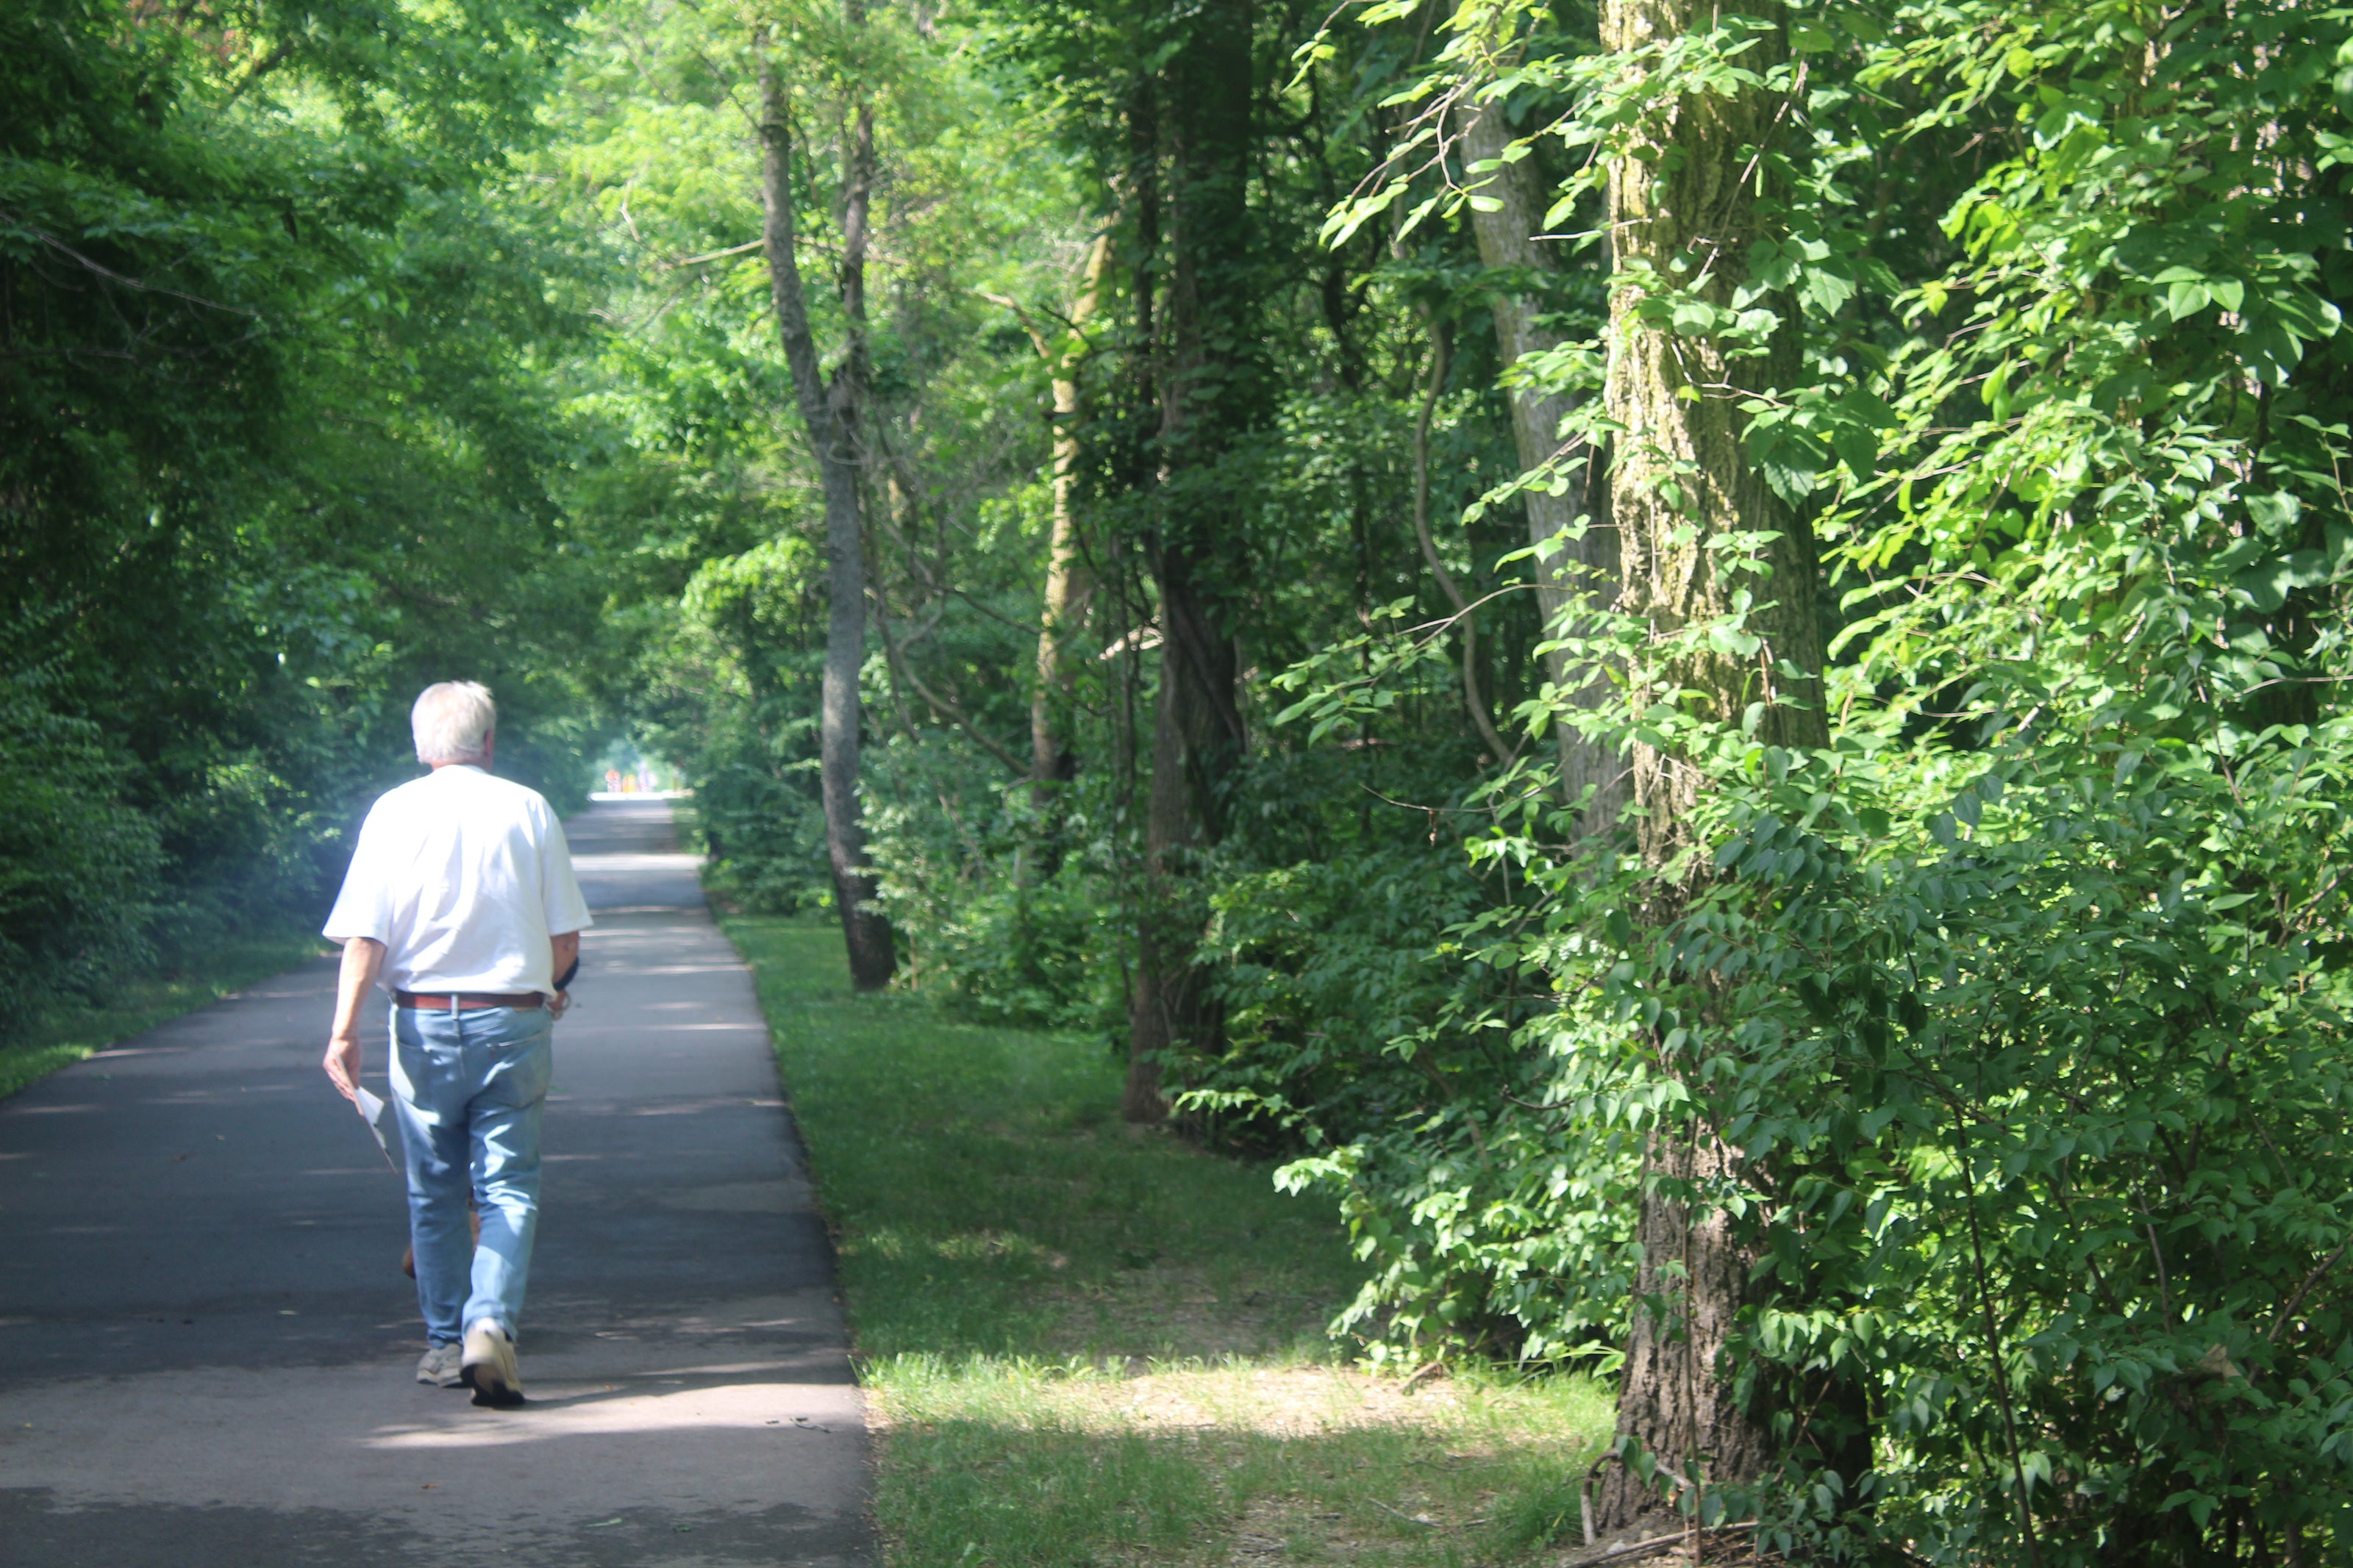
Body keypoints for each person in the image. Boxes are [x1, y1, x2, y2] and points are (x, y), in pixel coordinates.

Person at [321, 681, 591, 1407]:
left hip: (422, 1024)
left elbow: (366, 938)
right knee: (507, 1187)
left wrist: (344, 1032)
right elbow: (563, 941)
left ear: (421, 746)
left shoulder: (391, 812)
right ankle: (489, 1324)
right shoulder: (528, 808)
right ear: (488, 743)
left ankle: (443, 1345)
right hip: (513, 1020)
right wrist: (548, 980)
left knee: (434, 1189)